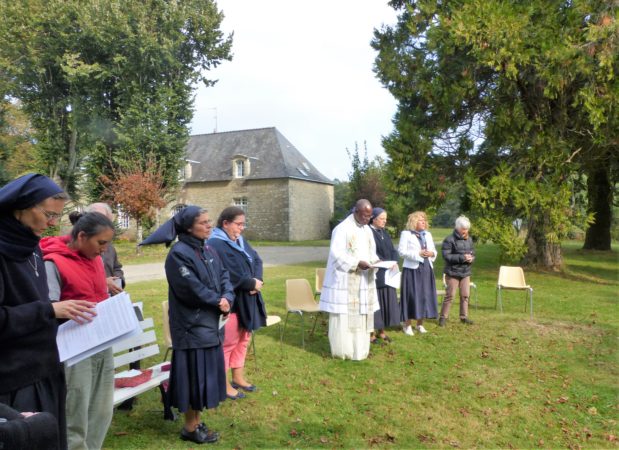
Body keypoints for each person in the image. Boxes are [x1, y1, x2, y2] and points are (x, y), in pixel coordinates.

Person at [0, 173, 96, 450]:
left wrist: (63, 315)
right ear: (21, 207)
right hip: (14, 380)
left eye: (57, 216)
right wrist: (49, 311)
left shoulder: (32, 249)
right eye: (48, 215)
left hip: (46, 371)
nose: (53, 224)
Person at [140, 206, 232, 444]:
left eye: (209, 220)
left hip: (210, 324)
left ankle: (196, 422)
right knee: (193, 379)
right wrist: (218, 301)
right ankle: (190, 427)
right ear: (188, 227)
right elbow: (190, 289)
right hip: (192, 327)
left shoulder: (209, 248)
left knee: (203, 379)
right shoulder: (178, 254)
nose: (209, 225)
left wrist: (228, 298)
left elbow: (224, 277)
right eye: (203, 222)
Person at [41, 211, 116, 450]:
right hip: (74, 348)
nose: (104, 249)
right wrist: (64, 309)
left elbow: (93, 289)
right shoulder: (52, 261)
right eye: (101, 243)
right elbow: (49, 307)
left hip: (102, 341)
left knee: (102, 409)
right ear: (82, 236)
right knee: (76, 413)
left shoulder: (94, 258)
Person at [207, 206, 266, 399]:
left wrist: (256, 281)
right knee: (229, 342)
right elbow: (228, 272)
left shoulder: (239, 240)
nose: (242, 228)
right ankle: (223, 385)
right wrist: (250, 283)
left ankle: (238, 377)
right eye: (238, 224)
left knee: (243, 340)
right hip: (232, 300)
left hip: (248, 298)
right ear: (225, 223)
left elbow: (256, 260)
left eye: (243, 224)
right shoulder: (216, 244)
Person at [319, 199, 379, 361]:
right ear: (356, 212)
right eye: (365, 215)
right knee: (344, 318)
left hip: (363, 281)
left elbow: (372, 252)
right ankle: (343, 351)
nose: (368, 219)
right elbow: (336, 255)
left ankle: (360, 351)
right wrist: (356, 263)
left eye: (370, 216)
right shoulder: (342, 229)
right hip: (346, 281)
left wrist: (376, 262)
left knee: (362, 316)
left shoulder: (367, 230)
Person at [398, 211, 438, 335]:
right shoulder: (406, 234)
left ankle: (420, 324)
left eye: (425, 220)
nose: (424, 222)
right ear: (414, 222)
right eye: (421, 220)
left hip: (426, 268)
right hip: (412, 269)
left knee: (425, 295)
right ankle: (407, 325)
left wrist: (432, 254)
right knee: (412, 296)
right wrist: (418, 254)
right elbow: (401, 252)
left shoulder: (428, 234)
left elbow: (433, 251)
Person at [369, 207, 400, 344]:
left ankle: (382, 331)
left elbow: (393, 250)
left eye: (385, 219)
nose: (384, 221)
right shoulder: (368, 232)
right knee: (376, 303)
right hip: (376, 272)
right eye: (382, 219)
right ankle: (371, 334)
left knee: (386, 302)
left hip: (388, 273)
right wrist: (378, 261)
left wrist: (394, 261)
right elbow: (369, 251)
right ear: (373, 218)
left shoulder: (384, 233)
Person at [439, 215, 475, 326]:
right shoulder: (449, 240)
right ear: (457, 228)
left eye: (467, 229)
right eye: (463, 229)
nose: (465, 231)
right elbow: (447, 256)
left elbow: (473, 252)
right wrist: (462, 257)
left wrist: (471, 258)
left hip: (465, 272)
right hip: (452, 272)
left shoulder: (469, 239)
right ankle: (443, 318)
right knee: (450, 295)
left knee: (465, 295)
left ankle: (463, 317)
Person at [85, 203, 125, 296]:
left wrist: (118, 281)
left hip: (110, 298)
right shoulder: (81, 247)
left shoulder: (110, 247)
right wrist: (104, 283)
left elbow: (117, 267)